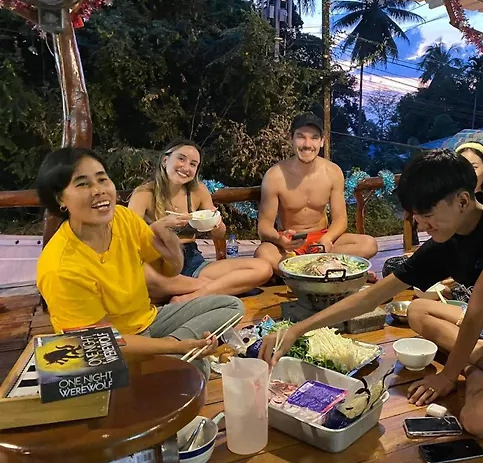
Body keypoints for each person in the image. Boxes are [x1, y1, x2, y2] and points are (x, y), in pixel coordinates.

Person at [259, 149, 483, 439]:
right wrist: (297, 329)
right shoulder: (446, 243)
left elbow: (479, 306)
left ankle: (482, 371)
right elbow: (370, 297)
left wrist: (448, 375)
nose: (421, 226)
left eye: (427, 215)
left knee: (477, 419)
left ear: (462, 200)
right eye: (416, 217)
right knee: (417, 311)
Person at [36, 147, 245, 379]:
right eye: (83, 184)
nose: (99, 190)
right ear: (60, 199)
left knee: (232, 306)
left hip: (149, 319)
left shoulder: (123, 218)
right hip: (109, 349)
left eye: (102, 179)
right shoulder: (61, 267)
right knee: (194, 371)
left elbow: (168, 270)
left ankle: (172, 351)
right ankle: (171, 353)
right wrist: (176, 347)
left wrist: (170, 245)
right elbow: (101, 342)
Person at [129, 139, 272, 303]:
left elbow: (219, 233)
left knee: (263, 269)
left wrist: (216, 224)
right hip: (160, 264)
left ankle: (191, 296)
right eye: (181, 159)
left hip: (192, 261)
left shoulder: (198, 191)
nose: (186, 167)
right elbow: (127, 238)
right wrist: (158, 227)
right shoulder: (144, 193)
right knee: (142, 277)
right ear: (165, 160)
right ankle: (210, 288)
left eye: (193, 164)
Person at [254, 113, 378, 274]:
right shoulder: (274, 176)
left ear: (322, 141)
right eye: (301, 137)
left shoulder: (333, 172)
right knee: (263, 253)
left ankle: (303, 271)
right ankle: (333, 269)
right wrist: (280, 239)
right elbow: (264, 227)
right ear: (291, 139)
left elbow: (340, 220)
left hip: (322, 241)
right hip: (291, 244)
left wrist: (326, 239)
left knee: (369, 244)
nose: (307, 144)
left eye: (314, 138)